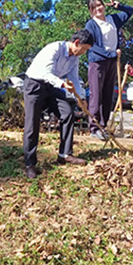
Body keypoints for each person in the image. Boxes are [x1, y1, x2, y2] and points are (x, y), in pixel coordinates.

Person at [23, 29, 94, 179]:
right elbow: (46, 74)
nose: (83, 53)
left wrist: (81, 99)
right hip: (35, 85)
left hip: (52, 87)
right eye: (84, 49)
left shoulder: (74, 59)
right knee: (32, 123)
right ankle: (30, 164)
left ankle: (65, 154)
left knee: (67, 114)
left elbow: (74, 78)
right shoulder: (55, 48)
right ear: (76, 43)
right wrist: (62, 84)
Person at [85, 0, 133, 140]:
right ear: (91, 11)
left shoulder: (113, 19)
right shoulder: (91, 24)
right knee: (96, 95)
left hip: (112, 62)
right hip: (98, 62)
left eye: (100, 5)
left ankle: (103, 126)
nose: (98, 9)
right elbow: (91, 45)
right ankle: (94, 128)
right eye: (94, 7)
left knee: (108, 95)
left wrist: (119, 6)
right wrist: (110, 54)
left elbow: (131, 11)